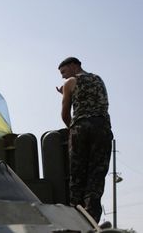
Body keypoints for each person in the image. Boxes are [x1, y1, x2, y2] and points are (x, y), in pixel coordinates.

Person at [57, 57, 113, 223]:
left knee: (78, 176)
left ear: (74, 66)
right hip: (102, 129)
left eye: (63, 72)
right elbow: (93, 100)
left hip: (81, 129)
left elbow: (65, 114)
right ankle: (92, 220)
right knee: (96, 177)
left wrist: (71, 129)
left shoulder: (71, 83)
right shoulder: (98, 79)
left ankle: (77, 220)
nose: (63, 77)